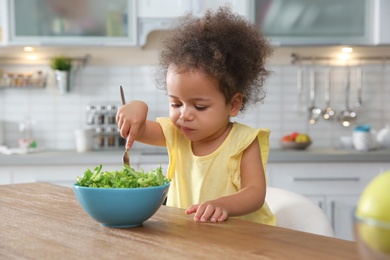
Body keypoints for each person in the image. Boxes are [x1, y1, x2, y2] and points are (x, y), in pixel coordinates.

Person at [117, 6, 276, 225]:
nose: (184, 115)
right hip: (190, 237)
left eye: (199, 107)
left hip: (242, 241)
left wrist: (223, 205)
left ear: (233, 104)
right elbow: (139, 130)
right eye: (176, 103)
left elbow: (255, 193)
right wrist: (137, 107)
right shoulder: (176, 133)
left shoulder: (243, 142)